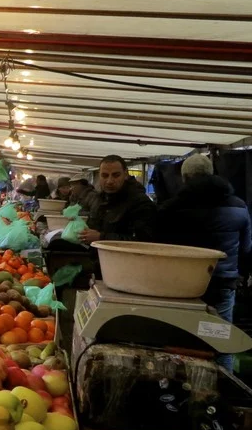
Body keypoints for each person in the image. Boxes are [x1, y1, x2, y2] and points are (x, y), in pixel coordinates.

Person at [156, 155, 251, 368]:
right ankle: (222, 389)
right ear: (212, 173)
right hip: (222, 285)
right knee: (221, 340)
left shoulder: (171, 208)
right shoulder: (239, 206)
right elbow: (246, 248)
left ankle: (184, 387)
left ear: (184, 177)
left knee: (182, 339)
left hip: (182, 288)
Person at [79, 155, 156, 244]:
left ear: (125, 174)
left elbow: (144, 241)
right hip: (99, 255)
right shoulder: (100, 199)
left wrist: (101, 237)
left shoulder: (140, 203)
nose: (109, 181)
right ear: (99, 175)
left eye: (116, 175)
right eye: (104, 176)